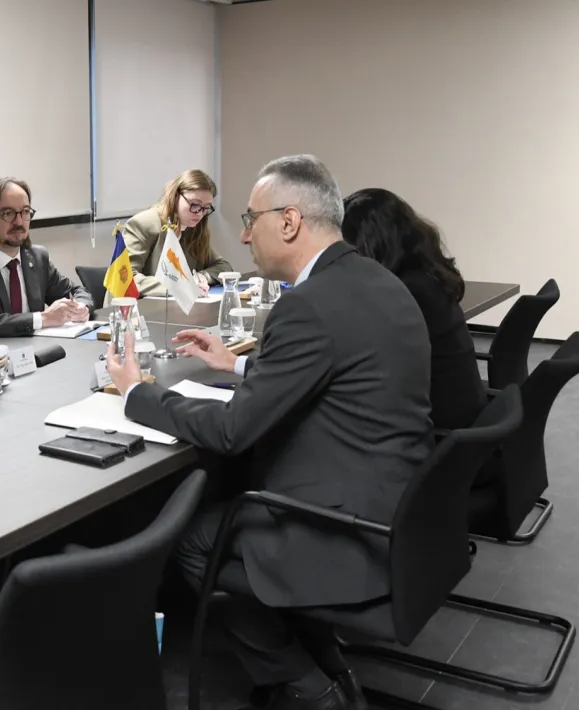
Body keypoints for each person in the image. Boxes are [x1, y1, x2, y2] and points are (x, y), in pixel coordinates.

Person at [108, 156, 433, 710]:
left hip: (346, 524)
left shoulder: (308, 306)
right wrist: (234, 366)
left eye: (249, 218)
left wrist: (138, 393)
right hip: (401, 501)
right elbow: (335, 371)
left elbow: (234, 430)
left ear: (288, 222)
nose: (241, 233)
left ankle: (308, 686)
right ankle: (328, 667)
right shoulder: (375, 280)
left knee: (192, 538)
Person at [342, 188, 487, 431]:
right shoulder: (425, 274)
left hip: (437, 429)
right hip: (460, 412)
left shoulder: (407, 292)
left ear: (368, 243)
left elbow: (362, 362)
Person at [0, 177, 93, 337]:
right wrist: (41, 319)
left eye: (25, 212)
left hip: (38, 353)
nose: (19, 221)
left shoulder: (37, 257)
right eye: (7, 213)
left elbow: (77, 291)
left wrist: (81, 307)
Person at [122, 168, 233, 297]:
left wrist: (202, 277)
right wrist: (180, 286)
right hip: (130, 310)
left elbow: (223, 266)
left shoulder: (193, 226)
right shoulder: (143, 223)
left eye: (206, 208)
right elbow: (126, 278)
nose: (200, 213)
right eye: (195, 205)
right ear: (175, 196)